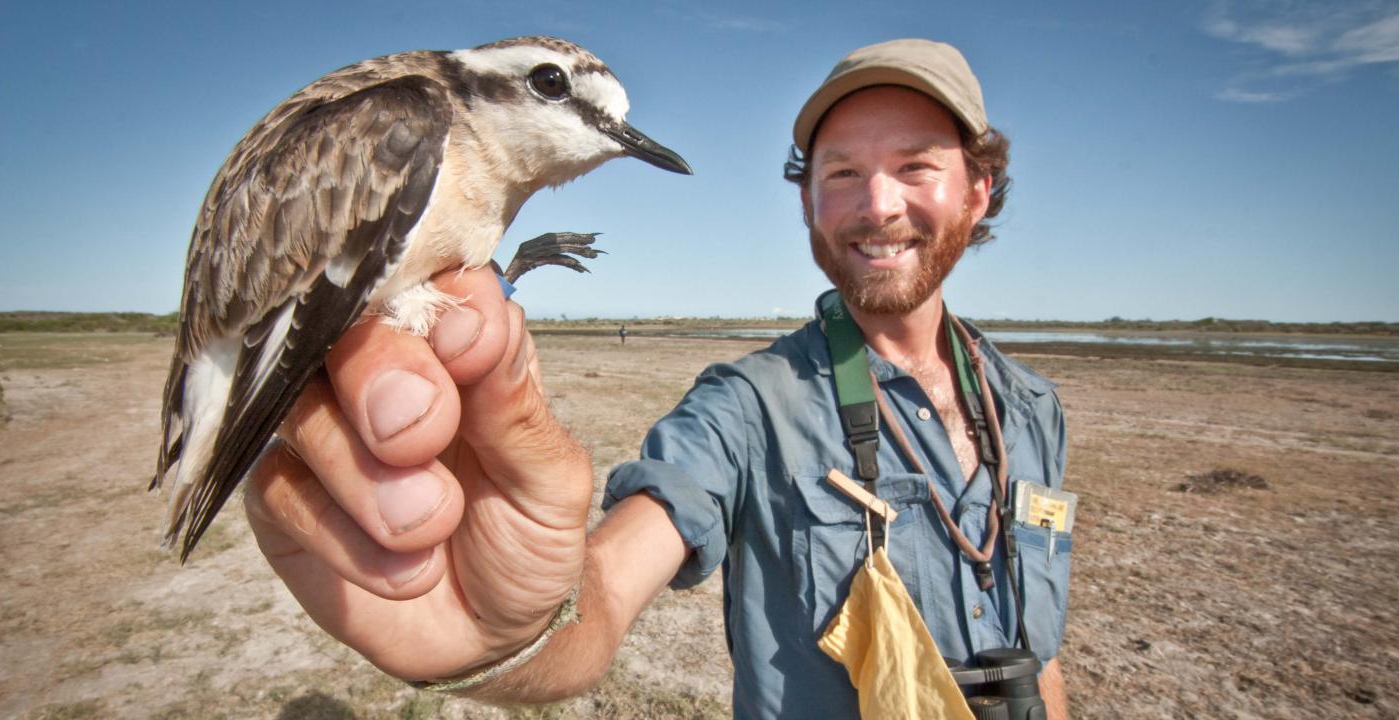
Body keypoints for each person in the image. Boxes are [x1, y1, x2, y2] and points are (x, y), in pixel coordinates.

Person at [246, 38, 1071, 719]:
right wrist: (507, 636)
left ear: (978, 192)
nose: (877, 203)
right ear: (809, 202)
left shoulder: (1031, 411)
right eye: (843, 172)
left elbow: (1041, 657)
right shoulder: (747, 408)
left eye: (917, 167)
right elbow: (599, 599)